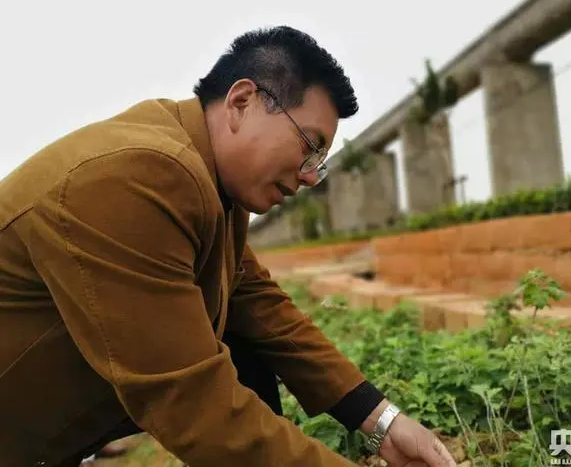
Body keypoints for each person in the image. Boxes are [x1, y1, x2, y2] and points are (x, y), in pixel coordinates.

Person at [0, 25, 457, 467]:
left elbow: (260, 307)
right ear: (242, 102)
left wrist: (384, 423)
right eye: (310, 147)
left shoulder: (212, 184)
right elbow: (194, 405)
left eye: (320, 161)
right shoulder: (141, 175)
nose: (311, 175)